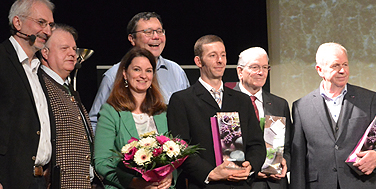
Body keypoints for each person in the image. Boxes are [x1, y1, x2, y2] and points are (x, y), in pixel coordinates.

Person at [167, 35, 266, 189]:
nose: (220, 60)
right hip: (203, 185)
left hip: (240, 185)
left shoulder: (242, 100)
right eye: (212, 55)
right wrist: (210, 173)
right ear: (198, 61)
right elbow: (180, 148)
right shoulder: (182, 100)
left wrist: (250, 166)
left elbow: (257, 145)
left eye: (223, 55)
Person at [290, 42, 376, 189]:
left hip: (361, 183)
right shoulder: (301, 107)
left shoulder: (369, 99)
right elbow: (298, 160)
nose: (343, 70)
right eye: (335, 66)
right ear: (319, 70)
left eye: (345, 65)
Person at [89, 12, 190, 133]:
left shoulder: (176, 71)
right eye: (148, 32)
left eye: (159, 31)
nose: (156, 36)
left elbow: (188, 115)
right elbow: (95, 122)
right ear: (132, 39)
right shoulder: (114, 75)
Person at [94, 47, 173, 189]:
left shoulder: (163, 112)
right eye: (137, 69)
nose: (143, 75)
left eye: (148, 71)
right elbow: (102, 162)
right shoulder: (110, 112)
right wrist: (133, 183)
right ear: (125, 73)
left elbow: (175, 154)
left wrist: (170, 175)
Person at [0, 0, 55, 188]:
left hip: (39, 180)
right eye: (41, 23)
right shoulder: (2, 59)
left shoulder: (39, 70)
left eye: (50, 25)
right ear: (17, 23)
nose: (47, 31)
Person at [39, 24, 95, 188]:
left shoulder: (68, 88)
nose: (72, 53)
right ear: (45, 52)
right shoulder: (40, 86)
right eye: (64, 48)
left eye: (74, 48)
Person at [231, 47, 291, 189]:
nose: (261, 72)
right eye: (255, 67)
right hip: (243, 183)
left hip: (275, 183)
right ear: (240, 71)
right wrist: (252, 167)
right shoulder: (228, 103)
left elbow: (288, 145)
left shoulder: (279, 104)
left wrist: (284, 161)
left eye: (265, 67)